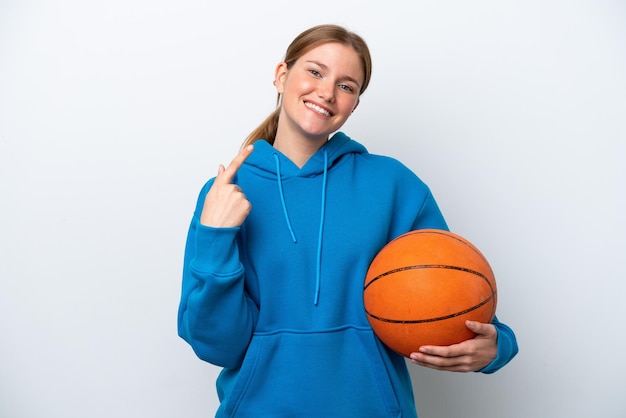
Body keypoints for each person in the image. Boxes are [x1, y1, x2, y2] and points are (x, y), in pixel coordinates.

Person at [177, 24, 518, 417]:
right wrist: (217, 237)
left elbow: (454, 290)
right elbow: (216, 345)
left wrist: (498, 345)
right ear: (282, 75)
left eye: (347, 85)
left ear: (354, 104)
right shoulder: (225, 192)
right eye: (316, 72)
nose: (326, 92)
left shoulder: (392, 185)